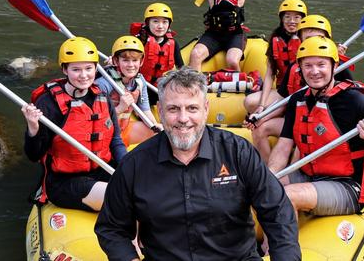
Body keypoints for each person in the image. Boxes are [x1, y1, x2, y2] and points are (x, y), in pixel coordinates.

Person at [95, 66, 301, 261]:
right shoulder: (134, 164)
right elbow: (111, 228)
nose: (183, 118)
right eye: (173, 108)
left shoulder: (238, 152)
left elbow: (277, 211)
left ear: (205, 109)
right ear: (161, 111)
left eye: (192, 108)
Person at [267, 37, 364, 216]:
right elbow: (283, 146)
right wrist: (270, 174)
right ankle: (266, 245)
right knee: (263, 187)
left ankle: (283, 245)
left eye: (321, 64)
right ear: (300, 69)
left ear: (334, 66)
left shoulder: (355, 100)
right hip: (310, 176)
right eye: (308, 66)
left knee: (288, 196)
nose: (314, 71)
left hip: (348, 186)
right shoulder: (297, 100)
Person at [22, 37, 126, 211]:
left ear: (95, 68)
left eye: (88, 68)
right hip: (65, 181)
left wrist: (127, 168)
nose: (84, 75)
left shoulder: (102, 97)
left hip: (103, 170)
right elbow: (33, 155)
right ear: (65, 69)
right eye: (76, 69)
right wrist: (33, 128)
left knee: (144, 186)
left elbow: (115, 140)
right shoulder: (48, 103)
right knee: (124, 197)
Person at [244, 13, 351, 163]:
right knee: (260, 128)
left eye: (318, 39)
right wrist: (261, 118)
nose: (313, 44)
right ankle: (267, 172)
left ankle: (292, 178)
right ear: (300, 41)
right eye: (308, 39)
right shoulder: (295, 67)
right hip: (296, 121)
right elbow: (283, 101)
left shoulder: (339, 69)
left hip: (323, 126)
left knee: (304, 140)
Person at [95, 35, 163, 146]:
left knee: (159, 132)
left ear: (141, 62)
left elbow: (145, 110)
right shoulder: (103, 84)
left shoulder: (140, 81)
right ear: (116, 61)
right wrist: (120, 108)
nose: (131, 65)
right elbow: (95, 120)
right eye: (125, 60)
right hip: (103, 133)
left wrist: (154, 124)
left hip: (123, 129)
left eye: (135, 60)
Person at [133, 2, 184, 105]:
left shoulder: (173, 43)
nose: (160, 26)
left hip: (161, 88)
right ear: (147, 23)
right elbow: (125, 57)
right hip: (140, 86)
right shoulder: (140, 40)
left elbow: (181, 68)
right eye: (155, 21)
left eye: (165, 22)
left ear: (169, 24)